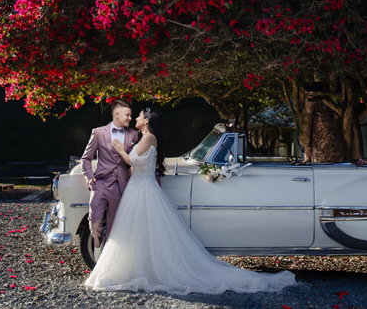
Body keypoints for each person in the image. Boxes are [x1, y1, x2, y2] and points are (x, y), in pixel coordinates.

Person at [85, 108, 296, 294]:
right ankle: (136, 267)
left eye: (138, 116)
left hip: (142, 188)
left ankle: (144, 269)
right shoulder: (144, 138)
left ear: (147, 121)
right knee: (136, 230)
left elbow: (132, 161)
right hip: (139, 187)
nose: (135, 119)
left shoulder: (148, 138)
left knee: (142, 229)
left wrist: (120, 150)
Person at [80, 99, 140, 251]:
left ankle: (107, 258)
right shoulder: (98, 133)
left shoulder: (133, 135)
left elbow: (137, 159)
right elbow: (86, 158)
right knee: (95, 220)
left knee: (115, 227)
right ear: (117, 114)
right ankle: (97, 245)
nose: (130, 118)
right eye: (127, 115)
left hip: (121, 187)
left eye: (131, 115)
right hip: (100, 184)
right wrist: (89, 177)